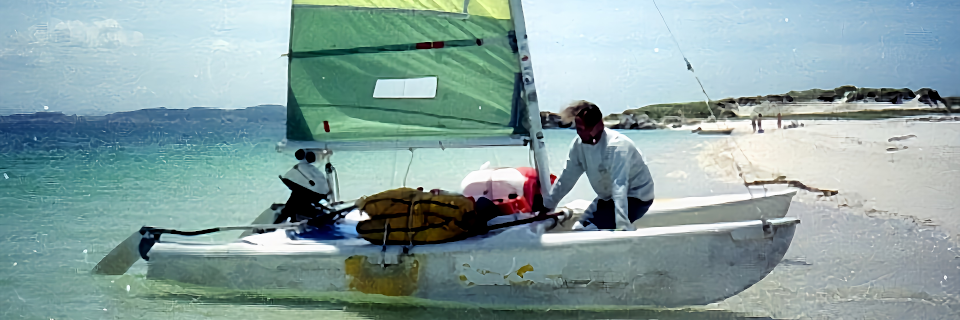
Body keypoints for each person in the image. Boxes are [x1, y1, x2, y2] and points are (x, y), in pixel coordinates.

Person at [535, 100, 655, 231]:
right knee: (578, 228)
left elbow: (619, 185)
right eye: (577, 128)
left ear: (599, 125)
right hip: (607, 198)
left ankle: (629, 230)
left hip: (637, 197)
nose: (579, 133)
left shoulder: (617, 146)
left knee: (588, 230)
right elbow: (566, 179)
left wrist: (622, 225)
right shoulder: (578, 145)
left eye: (582, 129)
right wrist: (548, 207)